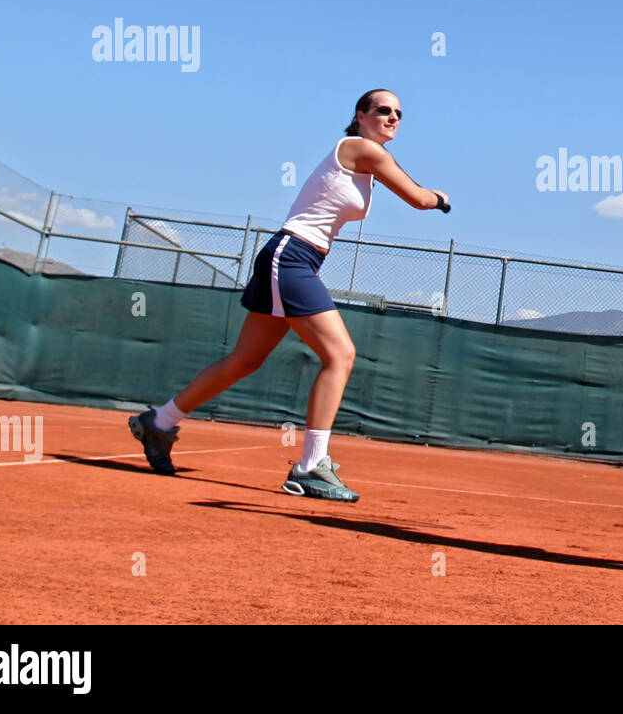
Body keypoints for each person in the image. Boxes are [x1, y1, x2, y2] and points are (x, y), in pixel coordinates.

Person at [128, 88, 450, 501]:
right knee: (340, 355)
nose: (393, 118)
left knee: (245, 359)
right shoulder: (361, 149)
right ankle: (311, 465)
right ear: (361, 115)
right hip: (291, 256)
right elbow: (419, 199)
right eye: (384, 110)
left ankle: (160, 421)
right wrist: (442, 198)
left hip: (295, 259)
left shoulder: (364, 160)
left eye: (399, 114)